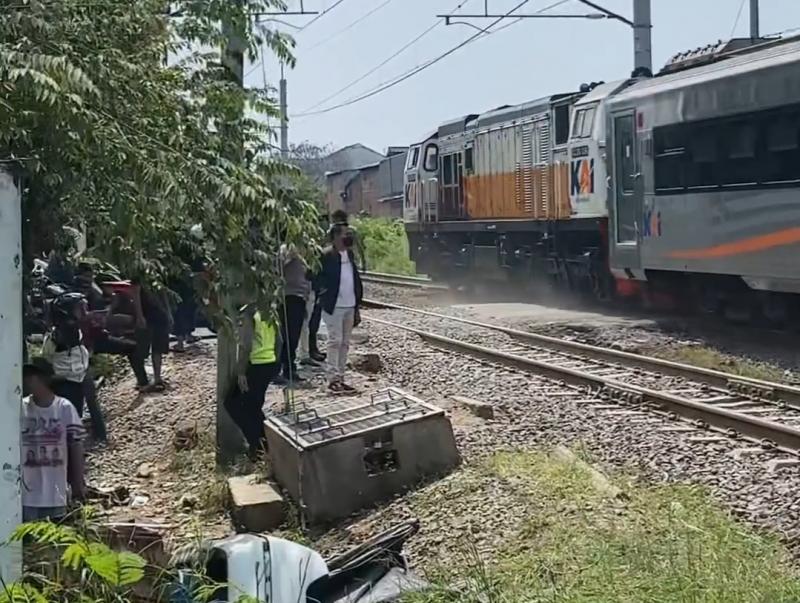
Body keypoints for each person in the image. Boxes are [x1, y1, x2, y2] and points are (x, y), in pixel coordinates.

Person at [21, 358, 85, 522]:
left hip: (56, 491)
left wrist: (77, 483)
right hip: (26, 493)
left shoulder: (64, 408)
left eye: (31, 376)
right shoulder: (21, 407)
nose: (26, 380)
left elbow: (76, 445)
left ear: (43, 378)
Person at [223, 305, 281, 459]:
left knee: (232, 403)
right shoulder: (270, 311)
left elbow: (245, 345)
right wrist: (276, 364)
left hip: (255, 365)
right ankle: (264, 444)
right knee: (253, 406)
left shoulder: (249, 315)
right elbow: (279, 341)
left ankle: (258, 444)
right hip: (269, 363)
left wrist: (241, 372)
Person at [318, 224, 363, 393]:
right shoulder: (326, 255)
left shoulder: (349, 255)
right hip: (334, 306)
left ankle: (341, 377)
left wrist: (357, 302)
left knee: (344, 343)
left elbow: (354, 278)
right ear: (336, 237)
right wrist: (324, 293)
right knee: (335, 341)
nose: (348, 237)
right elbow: (314, 276)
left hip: (350, 305)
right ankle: (332, 379)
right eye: (346, 234)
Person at [43, 293, 90, 416]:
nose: (84, 312)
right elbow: (47, 355)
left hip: (77, 377)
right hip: (66, 380)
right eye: (80, 309)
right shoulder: (59, 334)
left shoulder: (75, 329)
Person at [276, 242, 310, 385]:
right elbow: (277, 269)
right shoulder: (286, 249)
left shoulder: (305, 250)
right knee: (285, 335)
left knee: (294, 336)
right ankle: (278, 370)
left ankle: (290, 368)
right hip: (287, 296)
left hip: (300, 297)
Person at [131, 277, 172, 392]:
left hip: (159, 314)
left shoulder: (158, 272)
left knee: (158, 347)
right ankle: (142, 379)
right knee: (141, 348)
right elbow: (135, 294)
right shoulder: (139, 272)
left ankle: (157, 378)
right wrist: (139, 316)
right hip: (146, 315)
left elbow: (163, 293)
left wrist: (168, 313)